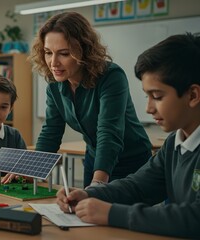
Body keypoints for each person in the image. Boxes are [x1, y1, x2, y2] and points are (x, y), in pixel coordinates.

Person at [57, 32, 200, 238]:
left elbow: (194, 218)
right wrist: (89, 193)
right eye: (147, 96)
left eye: (157, 97)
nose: (149, 108)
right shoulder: (174, 144)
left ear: (193, 95)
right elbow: (138, 186)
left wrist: (112, 213)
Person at [29, 12, 152, 188]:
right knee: (87, 212)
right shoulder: (55, 86)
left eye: (63, 53)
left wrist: (98, 184)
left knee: (122, 214)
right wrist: (32, 171)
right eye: (48, 53)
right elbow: (51, 131)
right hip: (95, 160)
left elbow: (109, 132)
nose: (53, 62)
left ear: (84, 50)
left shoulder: (111, 76)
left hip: (131, 162)